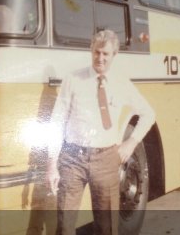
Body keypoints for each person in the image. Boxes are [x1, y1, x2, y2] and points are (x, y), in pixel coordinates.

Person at [46, 29, 156, 235]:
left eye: (106, 54)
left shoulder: (121, 82)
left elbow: (148, 113)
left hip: (106, 159)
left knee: (107, 227)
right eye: (97, 52)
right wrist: (52, 164)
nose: (100, 58)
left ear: (114, 55)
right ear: (91, 50)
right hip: (72, 159)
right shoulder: (73, 79)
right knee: (64, 225)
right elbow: (57, 120)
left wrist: (131, 142)